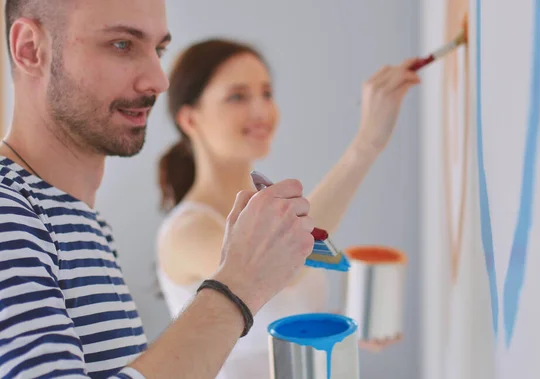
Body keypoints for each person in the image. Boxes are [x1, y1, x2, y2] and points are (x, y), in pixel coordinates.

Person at [0, 1, 321, 378]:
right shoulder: (8, 213)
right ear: (29, 49)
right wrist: (238, 284)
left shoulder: (83, 224)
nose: (158, 80)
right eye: (122, 44)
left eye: (159, 50)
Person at [155, 39, 420, 377]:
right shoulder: (187, 232)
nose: (261, 111)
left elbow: (279, 317)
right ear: (190, 119)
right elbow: (283, 265)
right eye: (237, 96)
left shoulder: (270, 208)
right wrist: (366, 144)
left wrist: (346, 323)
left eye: (266, 93)